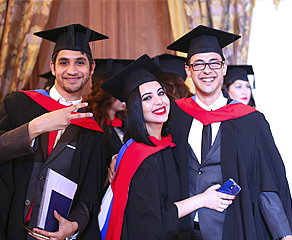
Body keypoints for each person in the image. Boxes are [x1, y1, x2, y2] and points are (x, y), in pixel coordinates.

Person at [0, 23, 109, 240]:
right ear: (53, 67)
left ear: (91, 69)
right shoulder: (18, 104)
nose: (72, 71)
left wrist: (73, 226)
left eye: (80, 63)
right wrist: (36, 127)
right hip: (8, 229)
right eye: (64, 62)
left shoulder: (93, 132)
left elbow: (88, 199)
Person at [167, 25, 292, 240]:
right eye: (198, 64)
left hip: (232, 228)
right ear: (188, 70)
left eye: (214, 63)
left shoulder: (250, 120)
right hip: (181, 229)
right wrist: (116, 158)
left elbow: (267, 181)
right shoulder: (175, 114)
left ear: (224, 67)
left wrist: (284, 235)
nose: (207, 70)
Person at [98, 54, 235, 240]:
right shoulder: (140, 156)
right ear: (136, 107)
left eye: (161, 93)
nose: (159, 101)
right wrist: (203, 200)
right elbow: (153, 221)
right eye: (147, 98)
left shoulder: (165, 145)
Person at [84, 76, 126, 183]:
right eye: (119, 95)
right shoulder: (95, 125)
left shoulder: (125, 121)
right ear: (108, 97)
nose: (124, 98)